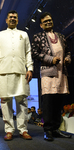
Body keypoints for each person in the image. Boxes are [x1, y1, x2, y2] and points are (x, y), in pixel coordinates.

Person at [0, 10, 33, 141]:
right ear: (6, 20)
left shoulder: (24, 34)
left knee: (22, 101)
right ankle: (9, 130)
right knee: (5, 101)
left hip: (21, 71)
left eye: (15, 17)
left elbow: (28, 52)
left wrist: (30, 68)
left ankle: (23, 129)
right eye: (10, 17)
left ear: (18, 20)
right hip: (3, 71)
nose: (13, 19)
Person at [31, 12, 72, 141]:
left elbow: (68, 51)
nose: (48, 22)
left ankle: (56, 129)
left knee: (58, 102)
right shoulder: (38, 36)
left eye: (50, 20)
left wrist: (67, 58)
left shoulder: (61, 36)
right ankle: (48, 130)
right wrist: (50, 59)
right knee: (48, 102)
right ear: (41, 25)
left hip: (61, 73)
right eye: (45, 21)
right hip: (48, 73)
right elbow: (34, 53)